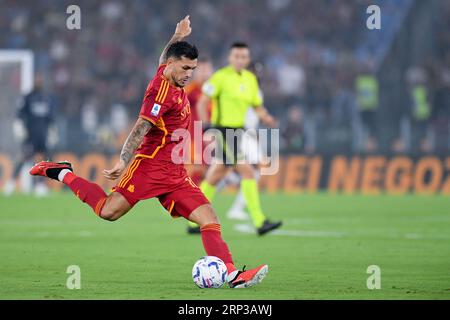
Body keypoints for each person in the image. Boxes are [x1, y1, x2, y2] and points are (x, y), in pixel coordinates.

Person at [29, 16, 268, 289]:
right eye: (186, 68)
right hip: (149, 167)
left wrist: (176, 36)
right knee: (108, 212)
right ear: (173, 66)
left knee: (209, 217)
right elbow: (141, 127)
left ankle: (231, 274)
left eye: (193, 68)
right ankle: (63, 173)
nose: (190, 73)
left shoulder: (167, 74)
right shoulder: (160, 93)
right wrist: (123, 159)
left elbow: (163, 58)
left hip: (174, 172)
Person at [191, 42, 282, 236]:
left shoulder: (250, 79)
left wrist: (267, 118)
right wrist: (207, 125)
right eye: (236, 56)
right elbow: (202, 102)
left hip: (238, 132)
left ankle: (194, 221)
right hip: (223, 131)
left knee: (214, 176)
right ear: (230, 58)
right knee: (248, 172)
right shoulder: (220, 77)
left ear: (247, 59)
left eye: (243, 57)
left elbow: (256, 106)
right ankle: (259, 221)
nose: (240, 60)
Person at [3, 74, 57, 196]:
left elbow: (50, 118)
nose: (39, 82)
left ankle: (40, 185)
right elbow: (20, 114)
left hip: (42, 135)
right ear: (33, 82)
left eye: (40, 80)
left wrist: (52, 131)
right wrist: (19, 127)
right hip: (30, 134)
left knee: (41, 160)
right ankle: (11, 183)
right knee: (23, 157)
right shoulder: (27, 97)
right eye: (37, 80)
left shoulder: (46, 98)